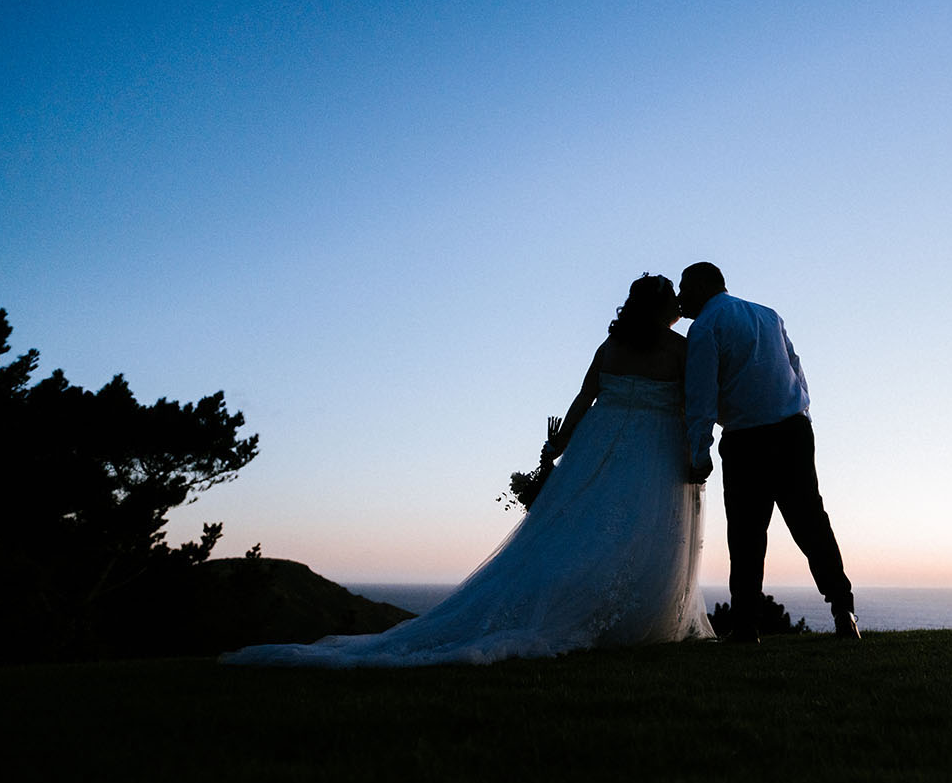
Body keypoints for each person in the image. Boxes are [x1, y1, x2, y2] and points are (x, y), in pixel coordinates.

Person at [222, 274, 713, 667]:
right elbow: (693, 403)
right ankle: (629, 621)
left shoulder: (610, 349)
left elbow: (583, 399)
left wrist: (557, 449)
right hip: (652, 453)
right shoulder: (680, 351)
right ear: (665, 305)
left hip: (598, 446)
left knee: (584, 531)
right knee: (640, 534)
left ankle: (598, 615)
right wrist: (696, 448)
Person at [678, 262, 858, 642]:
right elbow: (795, 366)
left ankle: (745, 625)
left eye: (684, 289)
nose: (680, 298)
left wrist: (700, 451)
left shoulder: (705, 328)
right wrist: (801, 410)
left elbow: (701, 396)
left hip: (747, 439)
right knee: (811, 523)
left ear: (702, 287)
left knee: (746, 535)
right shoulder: (768, 315)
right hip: (793, 430)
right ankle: (844, 610)